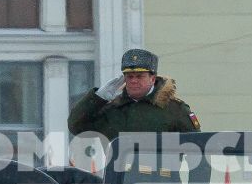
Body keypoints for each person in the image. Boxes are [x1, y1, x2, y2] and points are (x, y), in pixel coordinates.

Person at [68, 48, 200, 141]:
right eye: (129, 76)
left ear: (152, 79)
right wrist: (98, 98)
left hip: (161, 180)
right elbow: (76, 126)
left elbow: (199, 147)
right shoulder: (113, 110)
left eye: (139, 76)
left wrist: (196, 182)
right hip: (121, 180)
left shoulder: (174, 110)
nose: (133, 81)